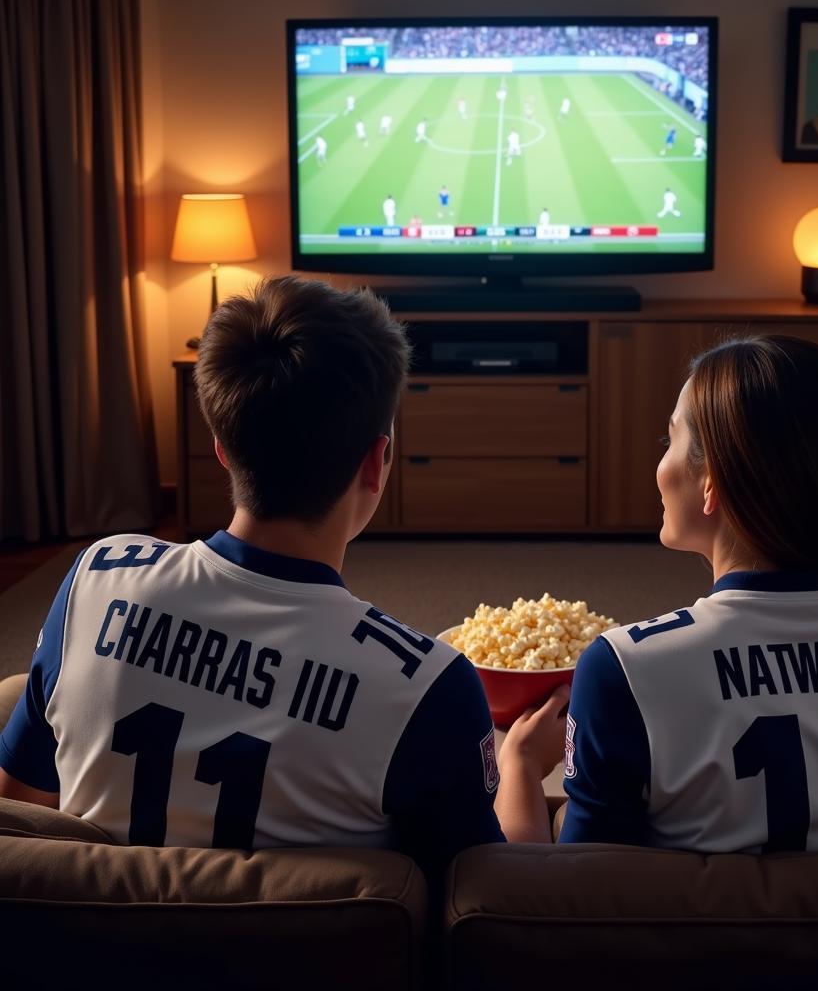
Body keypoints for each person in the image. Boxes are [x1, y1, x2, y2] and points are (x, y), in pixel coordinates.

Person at [0, 276, 507, 876]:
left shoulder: (94, 577)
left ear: (220, 444)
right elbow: (484, 895)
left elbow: (22, 809)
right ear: (377, 463)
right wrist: (522, 765)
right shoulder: (430, 686)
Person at [500, 335, 818, 850]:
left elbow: (571, 899)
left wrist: (517, 764)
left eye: (668, 440)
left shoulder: (624, 670)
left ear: (712, 479)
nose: (661, 466)